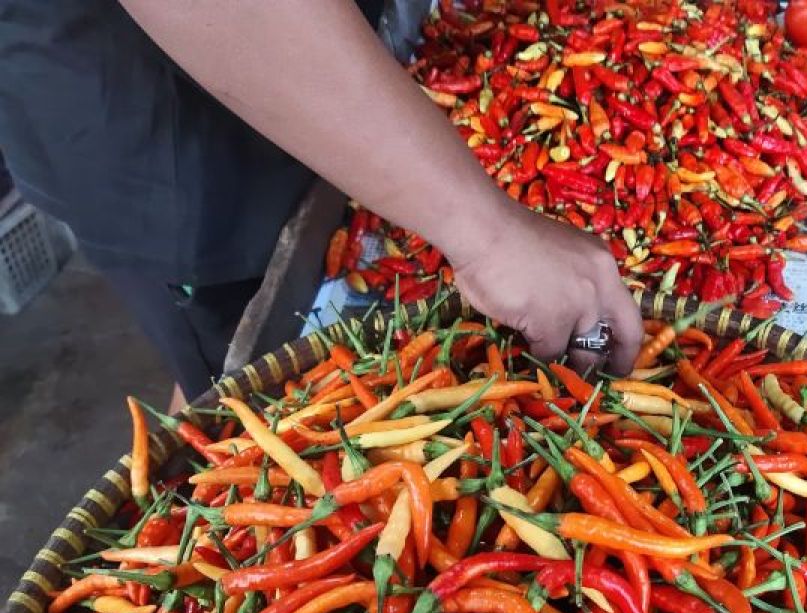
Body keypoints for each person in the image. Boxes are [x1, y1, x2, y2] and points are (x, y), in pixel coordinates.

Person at [0, 0, 642, 404]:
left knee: (255, 370)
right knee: (239, 370)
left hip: (287, 67)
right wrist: (489, 233)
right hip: (169, 119)